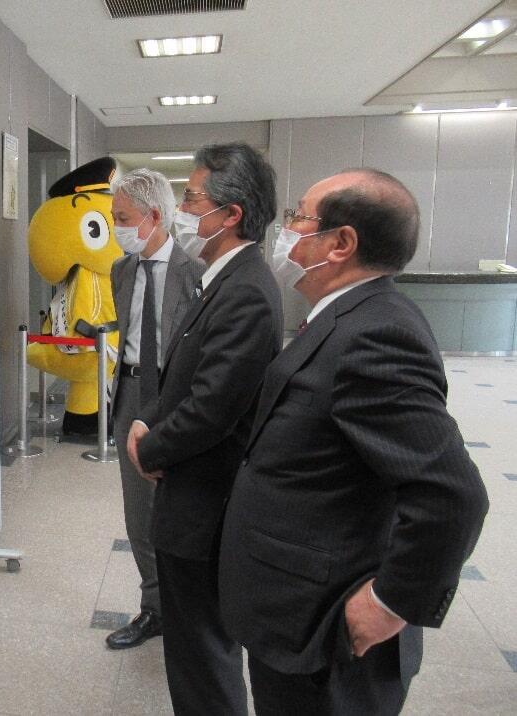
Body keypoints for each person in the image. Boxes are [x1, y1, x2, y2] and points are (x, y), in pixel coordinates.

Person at [218, 168, 489, 715]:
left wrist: (391, 603)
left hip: (326, 632)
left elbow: (452, 495)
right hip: (292, 608)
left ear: (341, 243)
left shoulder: (376, 334)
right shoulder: (345, 315)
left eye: (300, 217)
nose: (288, 228)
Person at [125, 143, 283, 713]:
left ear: (231, 213)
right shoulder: (224, 278)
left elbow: (214, 405)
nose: (184, 209)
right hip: (191, 492)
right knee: (192, 652)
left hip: (205, 502)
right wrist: (148, 415)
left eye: (191, 197)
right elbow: (183, 372)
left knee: (203, 653)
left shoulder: (246, 291)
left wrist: (152, 444)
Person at [104, 168, 203, 650]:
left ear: (155, 217)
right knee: (138, 513)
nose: (115, 225)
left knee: (183, 506)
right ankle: (154, 608)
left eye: (122, 217)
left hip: (181, 401)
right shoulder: (121, 270)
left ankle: (190, 611)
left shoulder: (197, 271)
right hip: (130, 396)